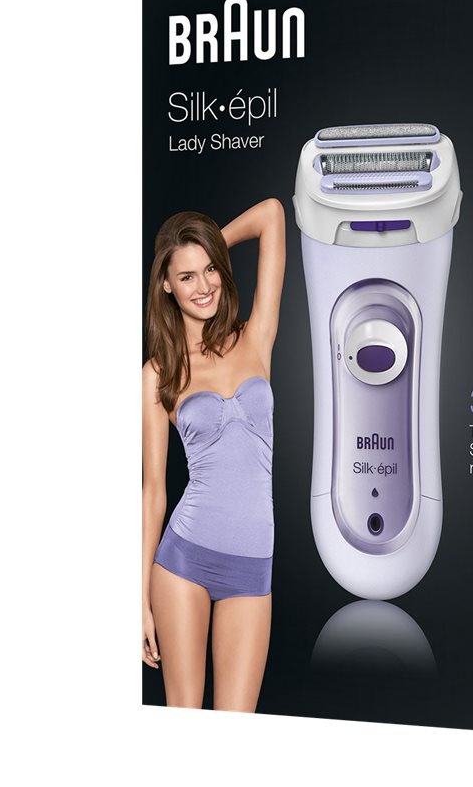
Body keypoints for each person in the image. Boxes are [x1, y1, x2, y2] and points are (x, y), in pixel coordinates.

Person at [141, 201, 285, 710]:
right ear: (166, 285)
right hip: (184, 561)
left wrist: (204, 245)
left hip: (252, 568)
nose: (203, 286)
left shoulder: (255, 336)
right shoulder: (158, 374)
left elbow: (272, 214)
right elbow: (152, 493)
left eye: (210, 270)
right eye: (186, 277)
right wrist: (137, 599)